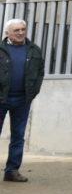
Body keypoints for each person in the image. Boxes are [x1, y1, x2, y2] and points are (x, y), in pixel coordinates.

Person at [0, 20, 44, 184]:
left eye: (23, 29)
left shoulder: (34, 50)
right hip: (1, 99)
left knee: (18, 136)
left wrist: (33, 92)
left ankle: (12, 171)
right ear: (7, 33)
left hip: (22, 100)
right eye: (16, 30)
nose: (20, 33)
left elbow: (40, 72)